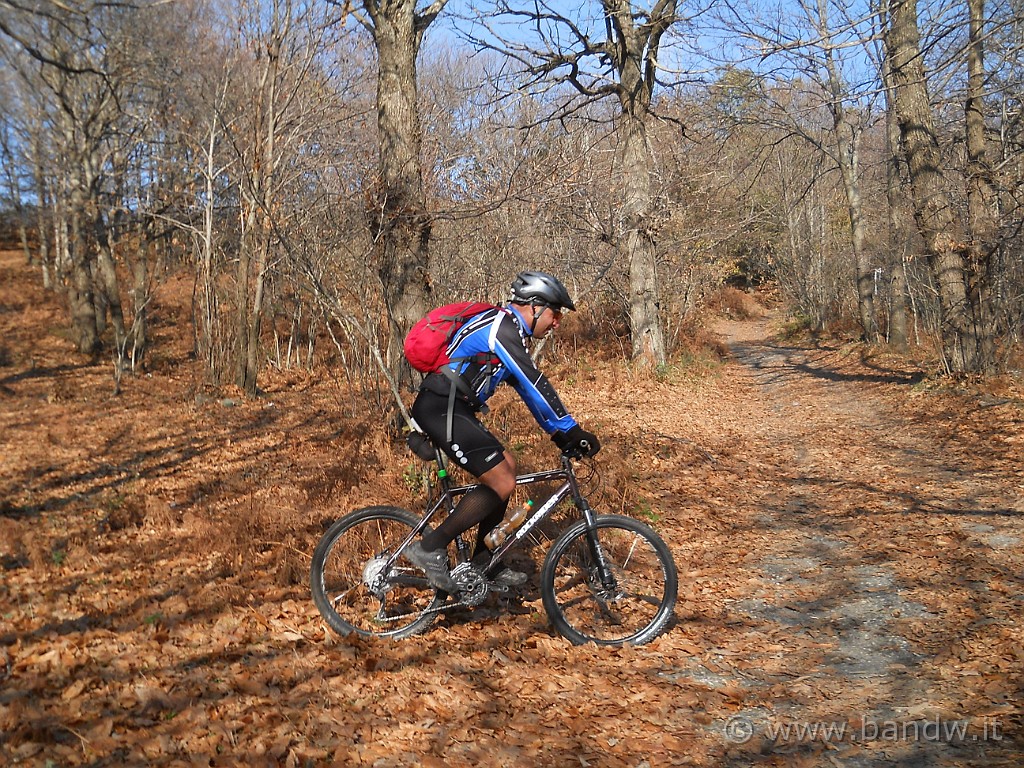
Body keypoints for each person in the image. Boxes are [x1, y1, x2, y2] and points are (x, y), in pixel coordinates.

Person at [406, 270, 601, 591]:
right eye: (554, 313)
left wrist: (559, 435)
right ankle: (429, 548)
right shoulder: (502, 327)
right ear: (535, 307)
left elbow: (528, 393)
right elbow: (534, 382)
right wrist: (571, 428)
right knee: (502, 478)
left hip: (452, 409)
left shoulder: (511, 333)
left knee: (508, 466)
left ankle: (485, 563)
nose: (557, 323)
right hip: (441, 408)